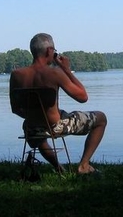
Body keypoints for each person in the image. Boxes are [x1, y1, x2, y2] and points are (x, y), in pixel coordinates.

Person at [9, 33, 107, 174]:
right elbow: (83, 97)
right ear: (49, 51)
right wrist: (66, 70)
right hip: (56, 126)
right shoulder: (54, 73)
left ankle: (58, 167)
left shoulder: (16, 75)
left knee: (40, 136)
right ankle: (84, 165)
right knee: (101, 118)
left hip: (30, 128)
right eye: (54, 50)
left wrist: (36, 117)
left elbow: (15, 109)